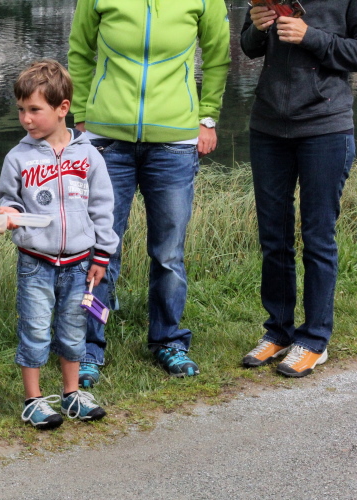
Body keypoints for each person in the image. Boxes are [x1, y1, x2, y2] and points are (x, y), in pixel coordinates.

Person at [67, 0, 231, 381]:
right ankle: (89, 346)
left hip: (174, 143)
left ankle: (167, 340)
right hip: (107, 142)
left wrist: (207, 117)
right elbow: (79, 50)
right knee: (99, 249)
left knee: (168, 252)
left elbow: (218, 55)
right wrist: (82, 115)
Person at [240, 1, 357, 377]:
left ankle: (314, 339)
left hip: (325, 127)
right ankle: (279, 331)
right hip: (267, 126)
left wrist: (310, 36)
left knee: (317, 237)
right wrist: (257, 28)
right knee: (274, 236)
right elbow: (248, 47)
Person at [0, 59, 119, 428]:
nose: (26, 119)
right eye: (21, 110)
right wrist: (8, 212)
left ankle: (71, 394)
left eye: (35, 110)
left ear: (62, 108)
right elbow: (9, 199)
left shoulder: (89, 155)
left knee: (73, 328)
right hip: (35, 261)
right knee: (35, 328)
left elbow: (102, 207)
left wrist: (102, 254)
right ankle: (33, 400)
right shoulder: (18, 157)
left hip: (81, 263)